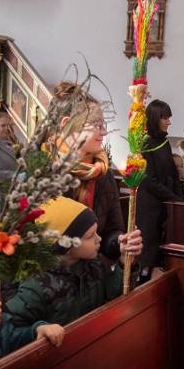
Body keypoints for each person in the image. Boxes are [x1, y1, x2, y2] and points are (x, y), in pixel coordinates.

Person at [4, 197, 143, 329]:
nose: (99, 239)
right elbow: (13, 329)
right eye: (90, 236)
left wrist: (124, 262)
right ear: (66, 246)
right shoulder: (37, 285)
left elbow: (113, 295)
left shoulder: (93, 263)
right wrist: (38, 330)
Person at [54, 82, 126, 261]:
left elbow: (111, 230)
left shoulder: (103, 172)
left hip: (91, 274)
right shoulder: (43, 172)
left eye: (103, 125)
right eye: (96, 125)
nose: (103, 132)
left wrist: (119, 243)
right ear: (67, 125)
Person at [136, 99, 183, 281]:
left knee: (156, 258)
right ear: (155, 118)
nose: (169, 122)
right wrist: (174, 199)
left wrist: (179, 199)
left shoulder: (164, 142)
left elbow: (173, 173)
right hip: (149, 207)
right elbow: (149, 180)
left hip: (164, 203)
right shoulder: (145, 143)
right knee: (146, 255)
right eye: (165, 118)